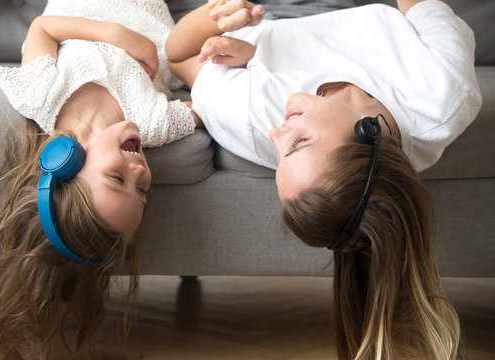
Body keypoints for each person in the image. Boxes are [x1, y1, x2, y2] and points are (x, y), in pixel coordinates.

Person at [166, 0, 482, 359]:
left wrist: (214, 20)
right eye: (298, 143)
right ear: (368, 135)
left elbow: (178, 57)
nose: (276, 135)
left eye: (279, 155)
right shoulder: (442, 94)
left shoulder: (252, 114)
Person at [0, 0, 198, 358]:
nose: (140, 172)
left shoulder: (42, 96)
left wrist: (116, 34)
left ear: (65, 164)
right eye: (142, 190)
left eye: (117, 178)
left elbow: (43, 28)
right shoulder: (154, 123)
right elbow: (211, 107)